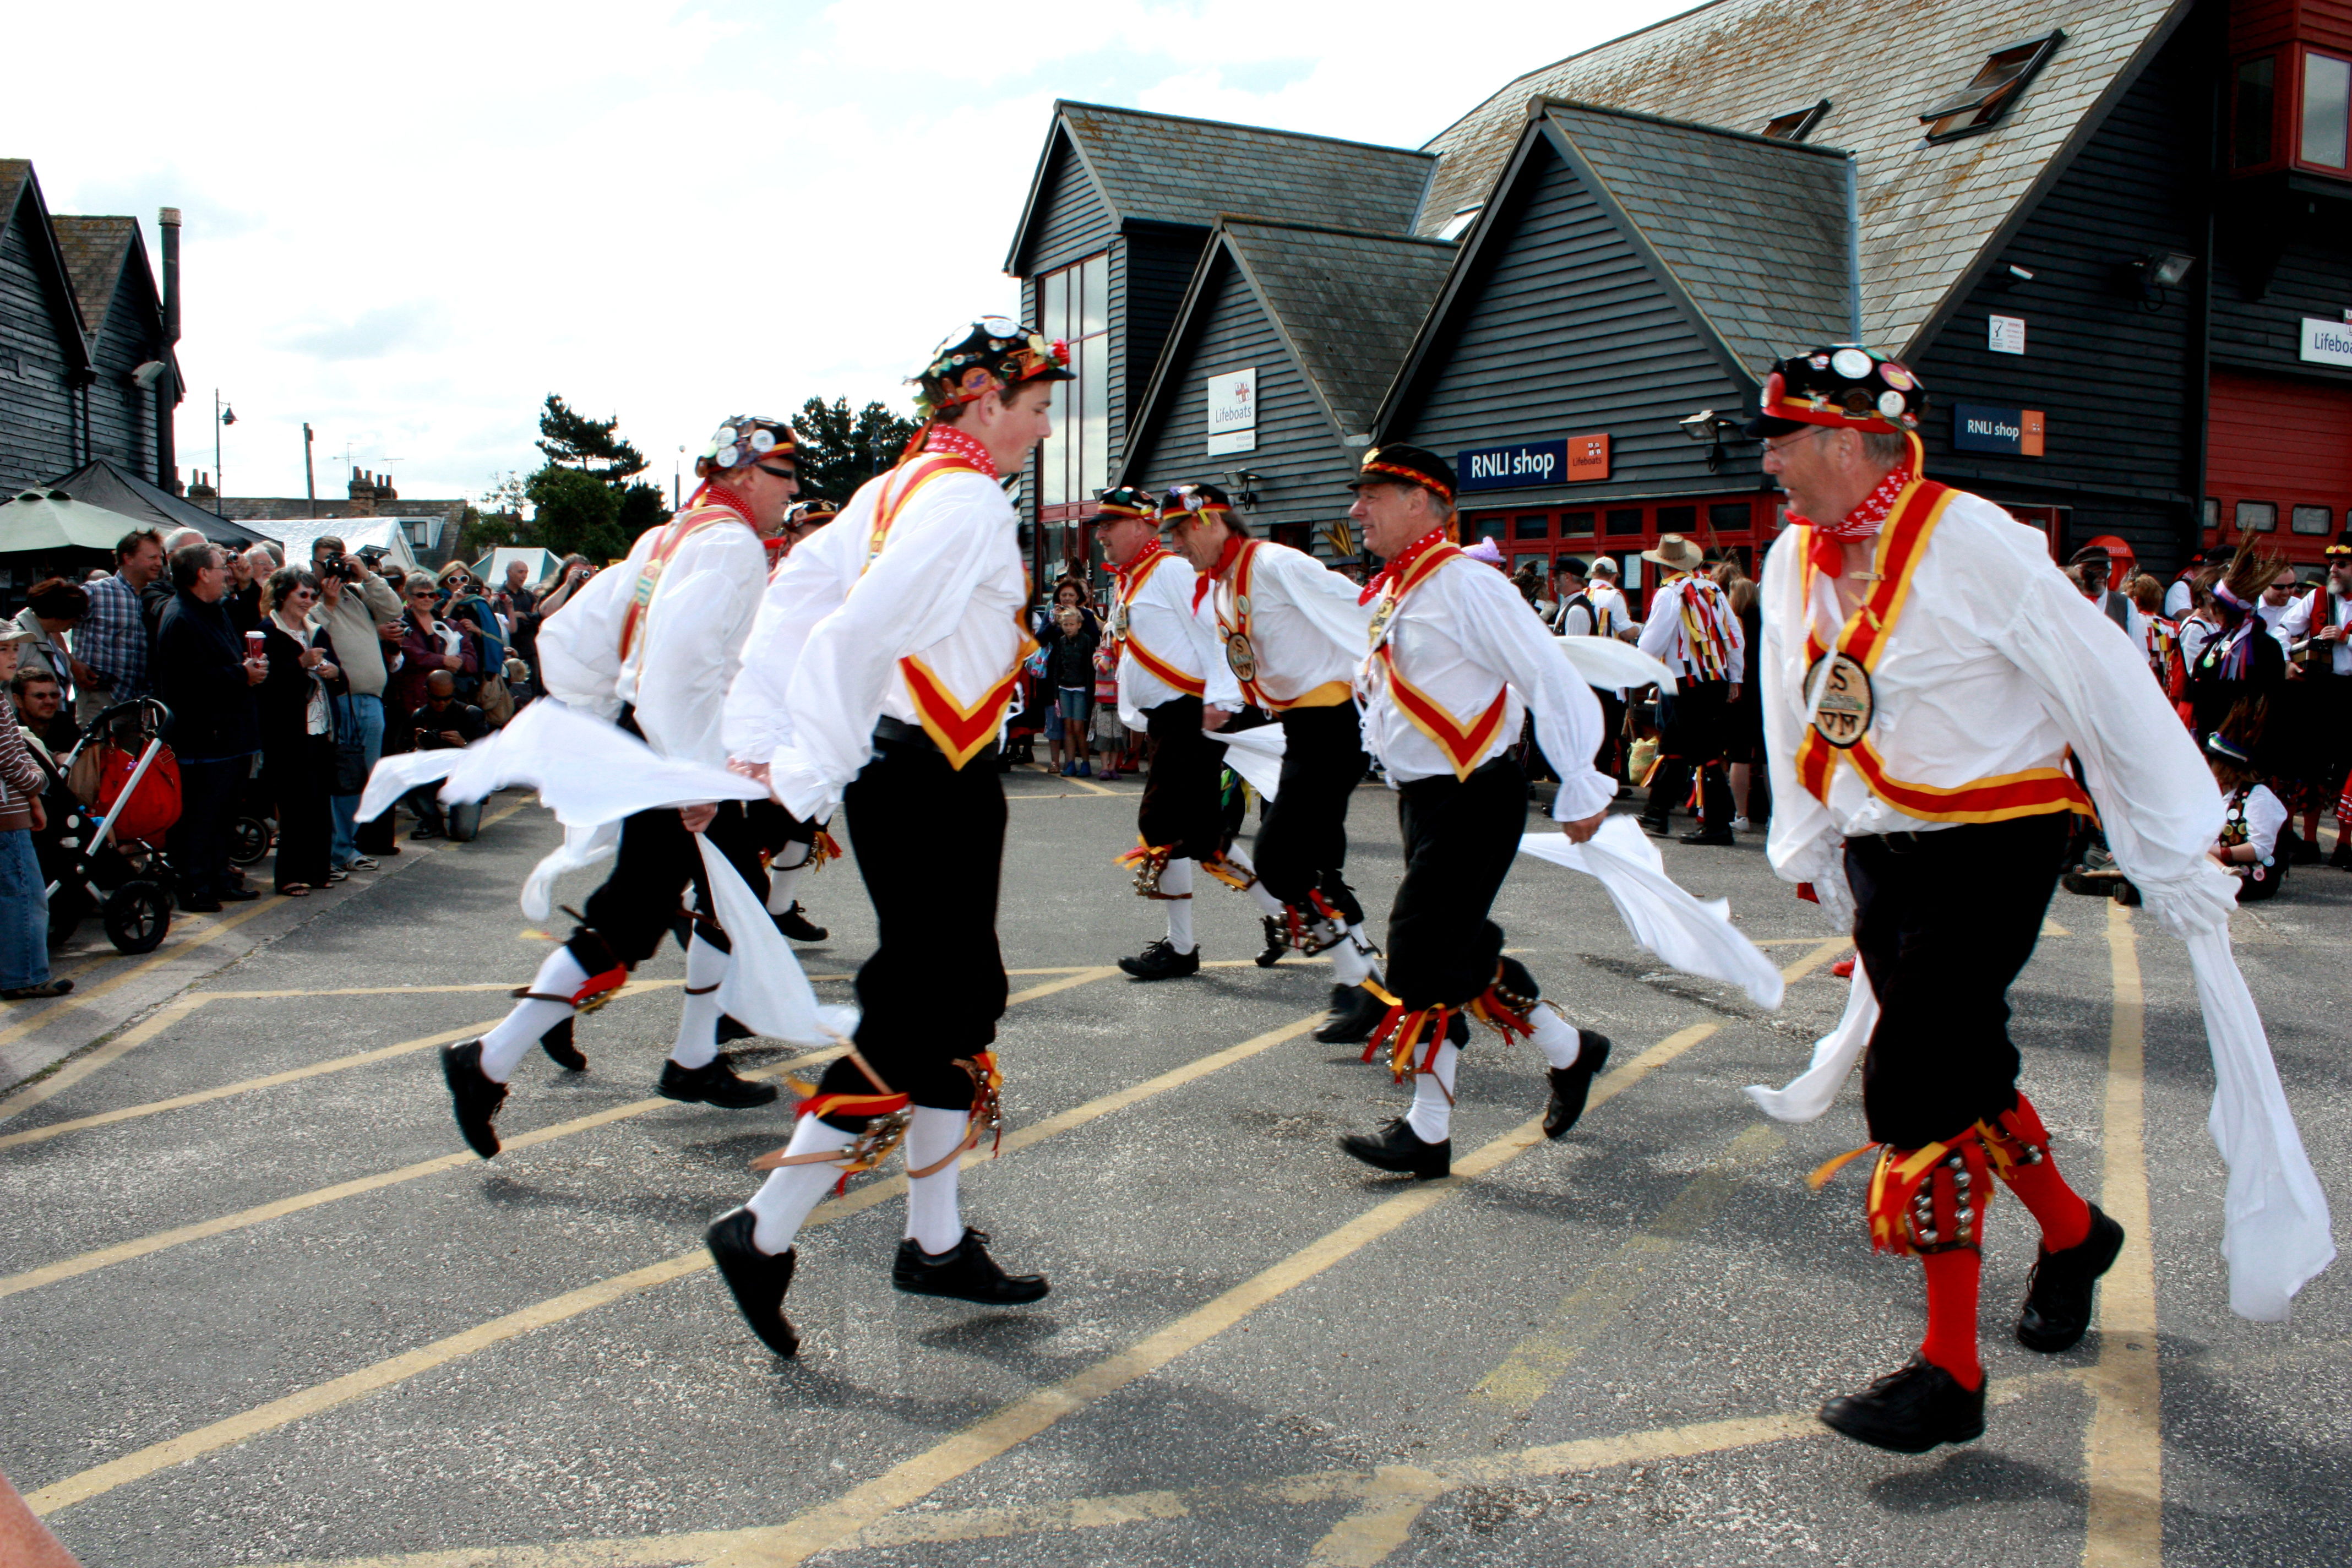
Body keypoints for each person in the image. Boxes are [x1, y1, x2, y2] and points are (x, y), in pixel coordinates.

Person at [1750, 344, 2235, 1455]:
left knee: (1917, 1076)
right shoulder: (1795, 556)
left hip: (1995, 837)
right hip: (1882, 839)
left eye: (1781, 437)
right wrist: (1810, 833)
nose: (1768, 460)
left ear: (1839, 437)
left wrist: (2171, 838)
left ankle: (1951, 1370)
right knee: (1966, 1054)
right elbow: (1794, 698)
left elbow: (2100, 676)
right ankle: (2074, 1231)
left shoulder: (1971, 537)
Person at [710, 320, 1071, 1357]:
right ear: (980, 402)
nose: (1044, 429)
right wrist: (798, 777)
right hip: (923, 772)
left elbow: (795, 601)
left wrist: (757, 743)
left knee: (959, 1000)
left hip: (924, 766)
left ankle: (935, 1238)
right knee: (919, 1007)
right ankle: (764, 1229)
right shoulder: (955, 500)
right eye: (1036, 407)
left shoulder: (896, 486)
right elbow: (848, 631)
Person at [441, 415, 804, 1165]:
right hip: (680, 752)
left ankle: (692, 1056)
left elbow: (568, 639)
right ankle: (491, 1057)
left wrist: (617, 715)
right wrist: (689, 773)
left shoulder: (666, 536)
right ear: (742, 477)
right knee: (640, 910)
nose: (793, 491)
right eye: (783, 475)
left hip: (667, 744)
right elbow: (676, 671)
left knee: (725, 891)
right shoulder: (729, 544)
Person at [1336, 445, 1616, 1178]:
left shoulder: (1468, 585)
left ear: (1422, 503)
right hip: (1426, 800)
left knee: (1418, 952)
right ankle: (1568, 1049)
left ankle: (1429, 1133)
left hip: (1475, 797)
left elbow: (1547, 673)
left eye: (1373, 495)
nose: (1356, 510)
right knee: (1455, 954)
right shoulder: (1399, 590)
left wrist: (1582, 781)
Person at [1160, 478, 1387, 1023]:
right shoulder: (1219, 587)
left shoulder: (1274, 563)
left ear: (1210, 521)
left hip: (1335, 725)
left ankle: (1362, 978)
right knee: (1315, 863)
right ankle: (1363, 984)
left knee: (1280, 861)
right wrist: (1222, 707)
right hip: (1301, 729)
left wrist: (1395, 676)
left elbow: (1361, 609)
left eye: (1179, 531)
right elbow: (1239, 663)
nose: (1173, 545)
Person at [1088, 485, 1251, 981]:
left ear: (1141, 526)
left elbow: (1218, 638)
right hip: (1165, 719)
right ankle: (1287, 914)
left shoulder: (1172, 572)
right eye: (1098, 527)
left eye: (1109, 526)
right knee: (1202, 837)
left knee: (1161, 825)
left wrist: (1223, 703)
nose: (1101, 537)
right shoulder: (1133, 580)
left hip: (1191, 715)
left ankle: (1185, 948)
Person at [153, 543, 266, 912]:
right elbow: (185, 682)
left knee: (223, 815)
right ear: (202, 573)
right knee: (200, 817)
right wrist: (240, 674)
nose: (227, 573)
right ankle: (195, 886)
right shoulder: (181, 617)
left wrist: (246, 669)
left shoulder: (212, 611)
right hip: (204, 737)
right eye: (221, 567)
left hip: (229, 735)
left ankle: (219, 878)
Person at [1635, 535, 1744, 845]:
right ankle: (1656, 811)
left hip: (1687, 683)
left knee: (1704, 752)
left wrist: (1633, 667)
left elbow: (1652, 642)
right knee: (1674, 744)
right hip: (1715, 679)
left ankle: (1718, 825)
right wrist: (1734, 678)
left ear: (1663, 567)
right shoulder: (1713, 589)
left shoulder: (1669, 594)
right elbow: (1734, 636)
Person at [307, 545, 405, 874]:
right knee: (342, 779)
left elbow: (393, 608)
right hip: (339, 701)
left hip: (371, 699)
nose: (336, 566)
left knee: (363, 779)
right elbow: (309, 630)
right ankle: (335, 850)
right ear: (315, 562)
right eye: (328, 559)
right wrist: (328, 602)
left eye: (341, 558)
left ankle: (346, 847)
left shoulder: (359, 592)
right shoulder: (310, 592)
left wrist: (368, 575)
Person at [255, 567, 339, 895]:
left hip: (320, 728)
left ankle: (318, 870)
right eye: (302, 594)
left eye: (313, 596)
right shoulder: (265, 633)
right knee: (294, 806)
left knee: (319, 802)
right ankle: (289, 874)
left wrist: (334, 672)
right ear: (282, 595)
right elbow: (265, 685)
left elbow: (340, 679)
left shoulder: (317, 631)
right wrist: (300, 664)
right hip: (285, 732)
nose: (309, 601)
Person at [0, 624, 69, 1000]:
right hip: (5, 815)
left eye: (14, 649)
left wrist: (32, 800)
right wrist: (38, 782)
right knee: (24, 895)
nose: (13, 657)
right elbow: (11, 758)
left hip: (13, 806)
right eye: (5, 650)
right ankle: (24, 974)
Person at [2276, 537, 2352, 868]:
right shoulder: (2317, 596)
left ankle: (2345, 846)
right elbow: (2281, 628)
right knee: (2311, 767)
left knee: (2349, 770)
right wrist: (2286, 661)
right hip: (2318, 691)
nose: (2333, 569)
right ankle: (2308, 842)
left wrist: (2347, 638)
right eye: (2331, 563)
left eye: (2341, 565)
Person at [76, 528, 164, 725]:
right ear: (128, 558)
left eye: (161, 557)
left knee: (135, 756)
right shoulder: (95, 592)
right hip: (102, 697)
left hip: (142, 703)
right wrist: (73, 665)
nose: (159, 563)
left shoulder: (158, 597)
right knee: (96, 755)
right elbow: (50, 621)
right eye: (152, 557)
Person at [2204, 728, 2288, 901]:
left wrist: (2216, 852)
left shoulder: (2259, 797)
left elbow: (2260, 849)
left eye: (2211, 762)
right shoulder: (2220, 793)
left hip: (2251, 880)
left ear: (2225, 767)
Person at [406, 669, 488, 840]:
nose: (442, 704)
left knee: (463, 834)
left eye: (448, 698)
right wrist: (417, 747)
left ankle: (459, 813)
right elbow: (404, 754)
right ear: (427, 692)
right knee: (406, 770)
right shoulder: (420, 715)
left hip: (465, 779)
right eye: (436, 699)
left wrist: (464, 744)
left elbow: (486, 759)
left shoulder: (471, 714)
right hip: (435, 776)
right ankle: (431, 820)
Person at [10, 578, 90, 752]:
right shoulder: (17, 640)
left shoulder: (47, 636)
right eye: (74, 616)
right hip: (21, 739)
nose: (74, 623)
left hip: (48, 732)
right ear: (58, 614)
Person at [1721, 560, 1767, 832]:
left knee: (1739, 755)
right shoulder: (1770, 623)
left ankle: (1742, 815)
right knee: (1766, 757)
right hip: (1765, 694)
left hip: (1740, 693)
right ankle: (1775, 816)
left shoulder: (1733, 624)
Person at [1046, 602, 1098, 777]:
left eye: (1072, 624)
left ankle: (1085, 763)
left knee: (1079, 728)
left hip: (1081, 690)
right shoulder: (1061, 642)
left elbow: (1090, 670)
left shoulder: (1087, 641)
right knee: (1068, 727)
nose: (1069, 628)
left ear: (1079, 624)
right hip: (1064, 689)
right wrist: (1056, 694)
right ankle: (1070, 763)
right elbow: (1056, 668)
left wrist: (1091, 694)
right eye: (1065, 624)